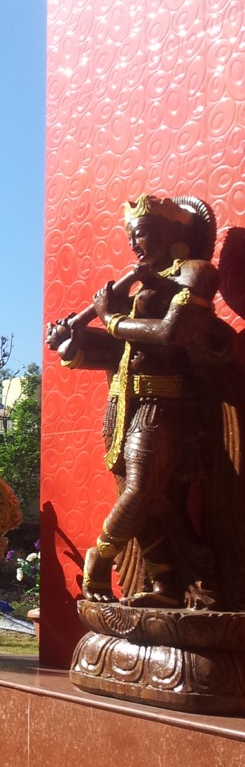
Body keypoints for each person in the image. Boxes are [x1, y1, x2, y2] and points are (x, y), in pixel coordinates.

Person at [46, 193, 244, 608]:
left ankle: (99, 559)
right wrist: (74, 342)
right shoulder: (144, 281)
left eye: (144, 234)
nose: (136, 245)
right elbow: (122, 352)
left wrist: (113, 319)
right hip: (124, 407)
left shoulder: (196, 273)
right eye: (133, 237)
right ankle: (173, 586)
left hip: (166, 406)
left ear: (172, 232)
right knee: (157, 505)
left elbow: (173, 333)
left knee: (139, 490)